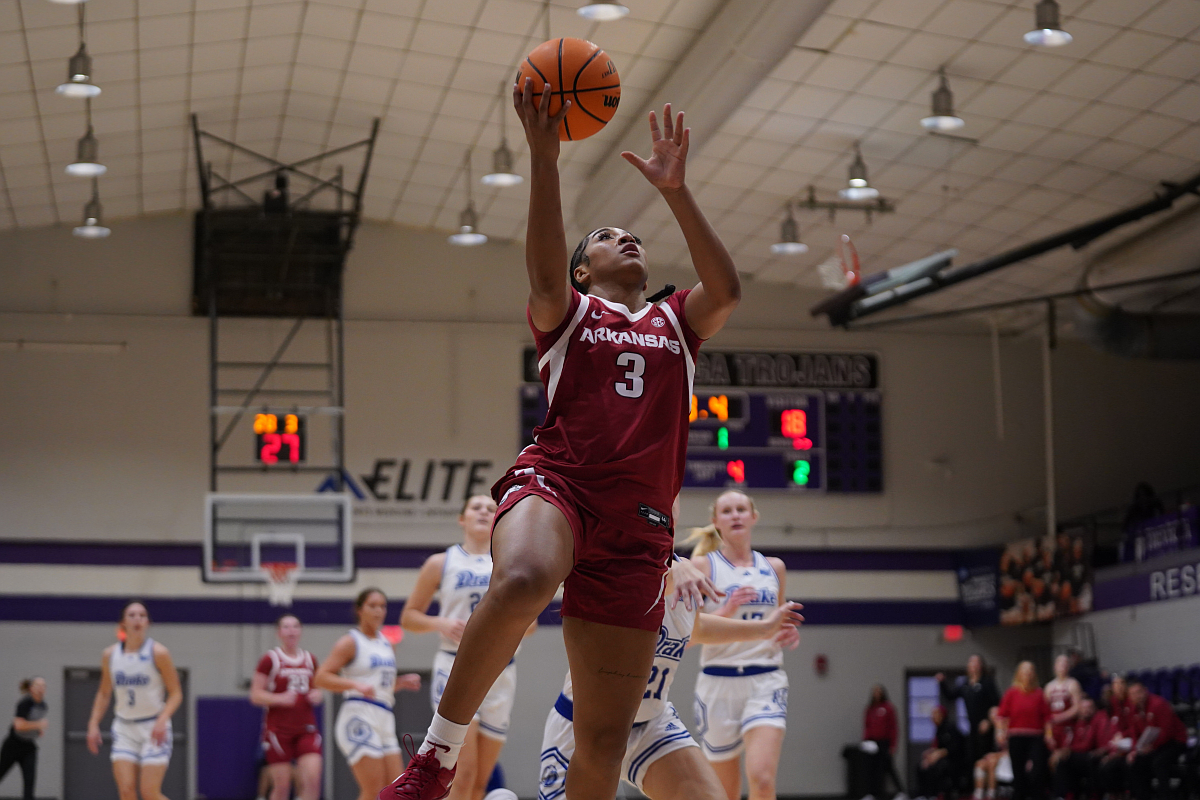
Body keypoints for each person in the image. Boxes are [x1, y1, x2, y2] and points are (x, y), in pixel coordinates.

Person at [381, 74, 739, 800]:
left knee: (605, 742)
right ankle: (434, 761)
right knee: (520, 579)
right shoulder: (569, 314)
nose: (625, 238)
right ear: (584, 271)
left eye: (632, 234)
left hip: (639, 527)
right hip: (562, 483)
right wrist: (543, 157)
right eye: (607, 238)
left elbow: (726, 290)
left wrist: (676, 191)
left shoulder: (677, 321)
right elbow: (543, 267)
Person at [539, 562, 803, 800]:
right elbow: (627, 592)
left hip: (650, 722)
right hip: (583, 724)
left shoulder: (683, 573)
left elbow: (697, 629)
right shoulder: (613, 558)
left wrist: (765, 628)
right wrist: (670, 575)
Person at [401, 495, 536, 800]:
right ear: (461, 519)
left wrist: (504, 629)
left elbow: (531, 624)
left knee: (479, 782)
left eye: (491, 509)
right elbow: (408, 617)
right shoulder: (441, 562)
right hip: (455, 665)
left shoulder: (509, 561)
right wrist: (441, 624)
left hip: (501, 671)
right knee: (462, 776)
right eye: (476, 507)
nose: (484, 512)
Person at [687, 490, 798, 800]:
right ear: (715, 522)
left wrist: (787, 631)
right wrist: (725, 611)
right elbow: (689, 638)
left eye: (741, 509)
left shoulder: (774, 568)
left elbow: (777, 621)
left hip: (765, 678)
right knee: (725, 792)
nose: (735, 515)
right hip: (717, 683)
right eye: (727, 511)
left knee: (762, 778)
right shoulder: (702, 567)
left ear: (753, 517)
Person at [317, 589, 422, 800]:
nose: (378, 611)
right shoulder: (350, 641)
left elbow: (378, 686)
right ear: (359, 610)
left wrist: (400, 683)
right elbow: (320, 677)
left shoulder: (387, 644)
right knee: (373, 788)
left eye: (382, 606)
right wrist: (354, 684)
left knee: (397, 790)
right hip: (358, 715)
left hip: (384, 716)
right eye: (372, 605)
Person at [86, 601, 184, 800]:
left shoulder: (159, 653)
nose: (137, 619)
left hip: (153, 727)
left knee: (149, 793)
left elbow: (176, 693)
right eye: (132, 615)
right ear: (123, 622)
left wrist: (162, 719)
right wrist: (93, 723)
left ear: (148, 622)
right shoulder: (110, 655)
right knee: (126, 791)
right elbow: (104, 693)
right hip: (124, 728)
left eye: (142, 615)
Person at [250, 614, 324, 800]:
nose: (291, 631)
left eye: (295, 626)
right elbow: (255, 695)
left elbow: (318, 689)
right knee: (282, 787)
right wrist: (279, 698)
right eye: (286, 627)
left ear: (300, 631)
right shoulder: (270, 659)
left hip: (306, 728)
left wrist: (318, 695)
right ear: (278, 633)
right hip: (278, 731)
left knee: (312, 783)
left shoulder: (310, 659)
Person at [996, 661, 1054, 800]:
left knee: (1038, 769)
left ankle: (1037, 795)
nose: (1027, 674)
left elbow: (1047, 718)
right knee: (1018, 771)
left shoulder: (1039, 694)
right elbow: (1001, 716)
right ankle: (1019, 795)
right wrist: (1000, 733)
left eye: (1030, 671)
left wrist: (1049, 735)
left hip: (1035, 737)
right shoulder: (1011, 693)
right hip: (1016, 737)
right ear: (1019, 674)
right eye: (1024, 671)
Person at [1124, 681, 1187, 800]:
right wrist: (1134, 750)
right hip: (1152, 744)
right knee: (1135, 762)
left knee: (1159, 762)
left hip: (1174, 741)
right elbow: (1134, 733)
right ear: (1129, 697)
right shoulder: (1132, 710)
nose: (1137, 696)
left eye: (1139, 692)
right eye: (1133, 694)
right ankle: (1143, 796)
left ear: (1145, 691)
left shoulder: (1158, 704)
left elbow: (1167, 731)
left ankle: (1166, 795)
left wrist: (1151, 747)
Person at [936, 655, 1001, 767]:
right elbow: (950, 696)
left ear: (981, 665)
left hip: (985, 728)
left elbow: (997, 703)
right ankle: (975, 783)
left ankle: (988, 783)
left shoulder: (987, 682)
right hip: (972, 727)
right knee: (971, 758)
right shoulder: (965, 684)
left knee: (985, 757)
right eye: (971, 662)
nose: (973, 665)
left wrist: (988, 721)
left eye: (976, 662)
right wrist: (942, 683)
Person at [0, 678, 48, 800]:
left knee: (30, 781)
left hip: (28, 747)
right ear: (31, 688)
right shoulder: (25, 703)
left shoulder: (43, 705)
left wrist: (38, 730)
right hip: (13, 745)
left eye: (43, 685)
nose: (41, 688)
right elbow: (19, 725)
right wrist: (38, 725)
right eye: (38, 685)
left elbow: (32, 723)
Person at [1049, 696, 1104, 800]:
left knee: (1068, 759)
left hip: (1092, 755)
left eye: (1089, 708)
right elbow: (1068, 741)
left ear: (1094, 709)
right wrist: (1062, 751)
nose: (1086, 711)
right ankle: (1061, 796)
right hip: (1078, 756)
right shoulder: (1075, 723)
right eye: (1083, 708)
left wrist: (1068, 750)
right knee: (1061, 760)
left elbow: (1088, 745)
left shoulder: (1097, 721)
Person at [861, 685, 905, 800]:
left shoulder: (888, 708)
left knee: (888, 767)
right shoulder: (870, 709)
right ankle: (872, 794)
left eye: (878, 691)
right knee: (871, 769)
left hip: (885, 743)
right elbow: (867, 726)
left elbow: (893, 728)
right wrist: (865, 741)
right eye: (874, 691)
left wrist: (893, 745)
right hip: (872, 743)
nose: (876, 694)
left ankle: (901, 792)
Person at [916, 705, 964, 800]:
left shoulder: (950, 727)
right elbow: (938, 746)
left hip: (954, 759)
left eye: (935, 714)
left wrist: (937, 754)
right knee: (921, 766)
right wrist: (930, 753)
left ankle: (936, 794)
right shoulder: (939, 729)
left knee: (937, 767)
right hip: (942, 758)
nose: (932, 717)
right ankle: (924, 795)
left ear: (941, 715)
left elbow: (954, 747)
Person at [1045, 655, 1083, 743]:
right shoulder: (1049, 687)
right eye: (1060, 664)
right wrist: (1048, 733)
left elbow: (1077, 707)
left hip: (1068, 727)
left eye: (1065, 664)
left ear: (1069, 667)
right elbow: (1045, 710)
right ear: (1055, 666)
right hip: (1054, 727)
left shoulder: (1073, 684)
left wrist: (1060, 717)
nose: (1062, 666)